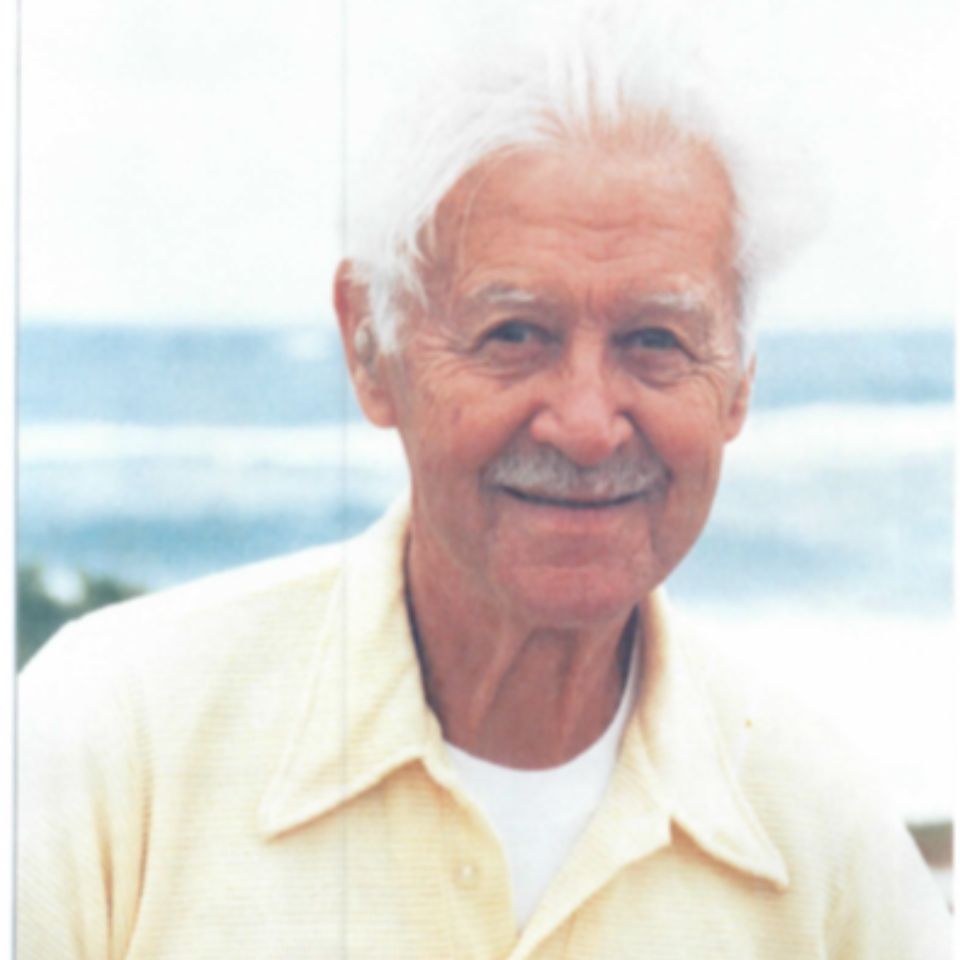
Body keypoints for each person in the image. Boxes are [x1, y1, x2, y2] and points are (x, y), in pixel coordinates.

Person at [18, 2, 950, 957]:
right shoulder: (111, 750)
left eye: (656, 341)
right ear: (371, 347)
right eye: (514, 334)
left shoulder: (821, 836)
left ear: (741, 382)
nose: (587, 426)